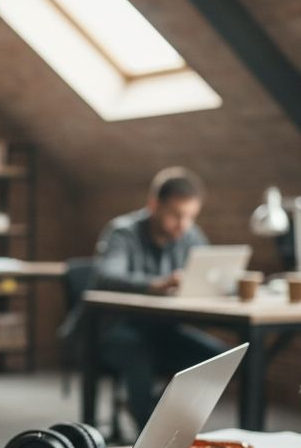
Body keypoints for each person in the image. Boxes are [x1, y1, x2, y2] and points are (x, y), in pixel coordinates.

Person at [92, 167, 226, 428]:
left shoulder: (190, 235)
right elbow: (105, 277)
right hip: (114, 330)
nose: (183, 225)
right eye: (176, 215)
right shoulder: (122, 232)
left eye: (190, 217)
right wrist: (156, 285)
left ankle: (163, 413)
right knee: (139, 350)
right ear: (154, 205)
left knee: (218, 358)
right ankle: (149, 428)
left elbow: (210, 274)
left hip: (163, 329)